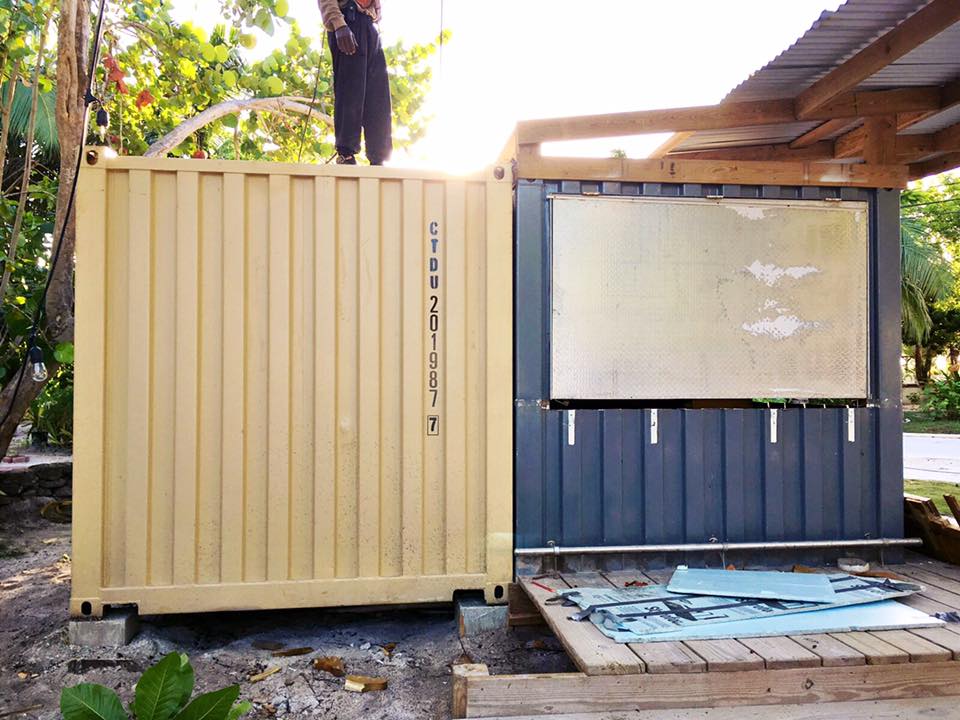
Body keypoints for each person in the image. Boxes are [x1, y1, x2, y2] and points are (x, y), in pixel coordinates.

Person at [318, 0, 392, 165]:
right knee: (351, 90)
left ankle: (378, 156)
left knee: (378, 95)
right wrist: (338, 24)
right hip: (347, 21)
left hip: (368, 22)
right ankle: (346, 154)